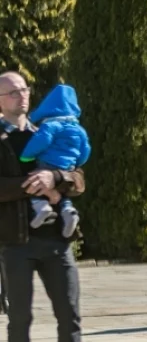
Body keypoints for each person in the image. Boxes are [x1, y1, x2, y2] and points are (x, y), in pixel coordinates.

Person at [0, 71, 93, 342]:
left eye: (23, 90)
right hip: (16, 244)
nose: (20, 96)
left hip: (57, 242)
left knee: (70, 315)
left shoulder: (47, 128)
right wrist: (31, 182)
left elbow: (79, 179)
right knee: (20, 320)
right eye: (11, 92)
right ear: (0, 100)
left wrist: (54, 176)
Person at [18, 84, 90, 238]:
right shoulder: (79, 130)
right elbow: (86, 150)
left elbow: (41, 141)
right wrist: (77, 163)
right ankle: (68, 211)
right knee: (61, 190)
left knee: (36, 178)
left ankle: (41, 205)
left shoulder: (51, 125)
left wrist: (26, 156)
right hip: (68, 167)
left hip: (48, 162)